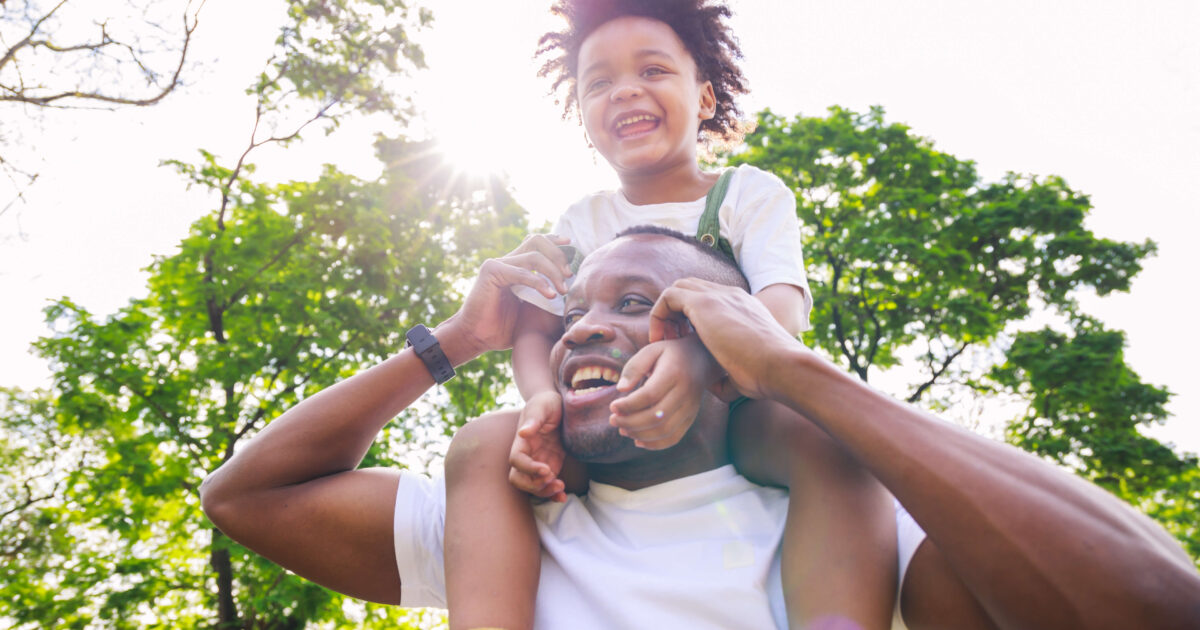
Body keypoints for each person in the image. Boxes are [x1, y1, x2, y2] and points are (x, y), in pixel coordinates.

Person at [199, 228, 1200, 629]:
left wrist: (795, 373)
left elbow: (1161, 608)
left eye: (644, 302)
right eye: (578, 308)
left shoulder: (855, 510)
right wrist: (457, 341)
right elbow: (247, 496)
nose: (588, 322)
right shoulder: (507, 517)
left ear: (720, 357)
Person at [446, 1, 895, 627]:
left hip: (737, 413)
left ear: (706, 98)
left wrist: (697, 357)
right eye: (598, 82)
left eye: (652, 70)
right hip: (609, 421)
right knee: (490, 446)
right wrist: (540, 401)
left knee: (832, 440)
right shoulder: (585, 221)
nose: (625, 89)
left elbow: (782, 309)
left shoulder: (746, 195)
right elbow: (537, 329)